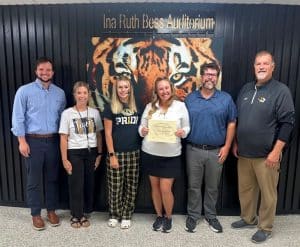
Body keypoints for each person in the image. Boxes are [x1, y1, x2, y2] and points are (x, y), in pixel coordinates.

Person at [231, 51, 295, 243]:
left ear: (273, 67)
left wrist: (276, 151)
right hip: (244, 154)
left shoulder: (281, 91)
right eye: (258, 63)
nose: (261, 67)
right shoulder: (245, 89)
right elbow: (238, 119)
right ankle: (248, 218)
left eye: (265, 63)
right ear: (254, 67)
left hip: (267, 156)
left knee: (268, 194)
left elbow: (288, 123)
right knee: (246, 190)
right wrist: (235, 142)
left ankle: (265, 227)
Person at [11, 57, 66, 230]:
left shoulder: (60, 93)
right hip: (32, 141)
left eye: (48, 70)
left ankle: (51, 211)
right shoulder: (24, 91)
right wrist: (21, 141)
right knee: (33, 180)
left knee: (52, 179)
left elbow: (62, 118)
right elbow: (18, 117)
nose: (45, 73)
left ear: (53, 72)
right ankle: (35, 214)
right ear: (36, 71)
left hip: (53, 141)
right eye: (41, 69)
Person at [184, 62, 237, 233]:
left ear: (217, 77)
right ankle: (193, 216)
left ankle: (210, 216)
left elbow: (231, 123)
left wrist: (227, 146)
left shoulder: (225, 99)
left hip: (216, 151)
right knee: (193, 186)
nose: (210, 78)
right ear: (201, 76)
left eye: (213, 75)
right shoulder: (190, 98)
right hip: (193, 149)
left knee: (212, 187)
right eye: (207, 74)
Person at [139, 77, 190, 233]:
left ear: (171, 88)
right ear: (157, 91)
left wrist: (183, 132)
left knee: (165, 188)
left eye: (166, 88)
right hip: (150, 153)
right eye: (161, 89)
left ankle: (168, 217)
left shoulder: (180, 106)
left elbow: (187, 127)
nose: (164, 91)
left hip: (171, 155)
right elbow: (141, 127)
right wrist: (143, 131)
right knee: (154, 187)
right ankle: (159, 216)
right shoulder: (150, 107)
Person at [59, 81, 103, 228]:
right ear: (74, 95)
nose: (82, 96)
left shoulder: (95, 113)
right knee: (76, 184)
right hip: (74, 152)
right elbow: (64, 137)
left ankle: (85, 212)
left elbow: (99, 135)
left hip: (91, 152)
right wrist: (65, 159)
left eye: (85, 93)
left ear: (89, 95)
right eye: (79, 93)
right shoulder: (67, 114)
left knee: (89, 184)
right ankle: (76, 215)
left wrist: (99, 154)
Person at [103, 74, 141, 229]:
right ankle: (114, 214)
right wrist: (112, 155)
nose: (123, 90)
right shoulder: (110, 106)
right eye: (120, 87)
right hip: (116, 153)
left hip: (134, 152)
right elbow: (107, 134)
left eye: (126, 87)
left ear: (130, 88)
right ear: (116, 89)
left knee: (132, 186)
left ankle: (126, 215)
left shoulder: (138, 105)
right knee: (115, 187)